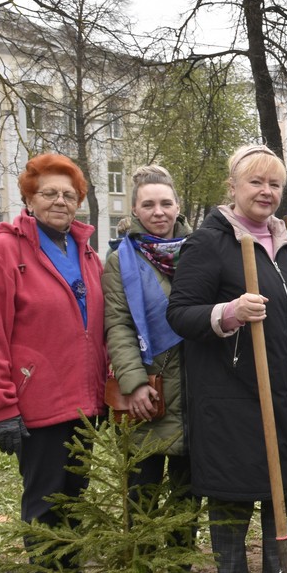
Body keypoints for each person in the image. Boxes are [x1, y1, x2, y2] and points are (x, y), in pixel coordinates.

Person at [166, 144, 287, 573]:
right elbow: (180, 313)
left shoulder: (284, 239)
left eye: (274, 183)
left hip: (284, 388)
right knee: (233, 495)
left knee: (282, 489)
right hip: (231, 391)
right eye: (256, 182)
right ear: (233, 186)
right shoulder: (210, 242)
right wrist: (226, 313)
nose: (266, 191)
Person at [0, 153, 107, 573]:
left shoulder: (85, 251)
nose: (60, 201)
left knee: (73, 495)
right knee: (45, 499)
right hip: (37, 403)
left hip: (84, 402)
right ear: (29, 197)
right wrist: (0, 406)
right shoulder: (4, 253)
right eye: (49, 192)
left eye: (69, 194)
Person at [102, 165, 193, 531]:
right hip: (150, 394)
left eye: (166, 203)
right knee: (142, 498)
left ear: (177, 206)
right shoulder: (120, 261)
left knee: (187, 499)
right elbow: (119, 326)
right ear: (135, 210)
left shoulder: (199, 252)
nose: (159, 212)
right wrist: (135, 382)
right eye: (149, 204)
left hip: (195, 393)